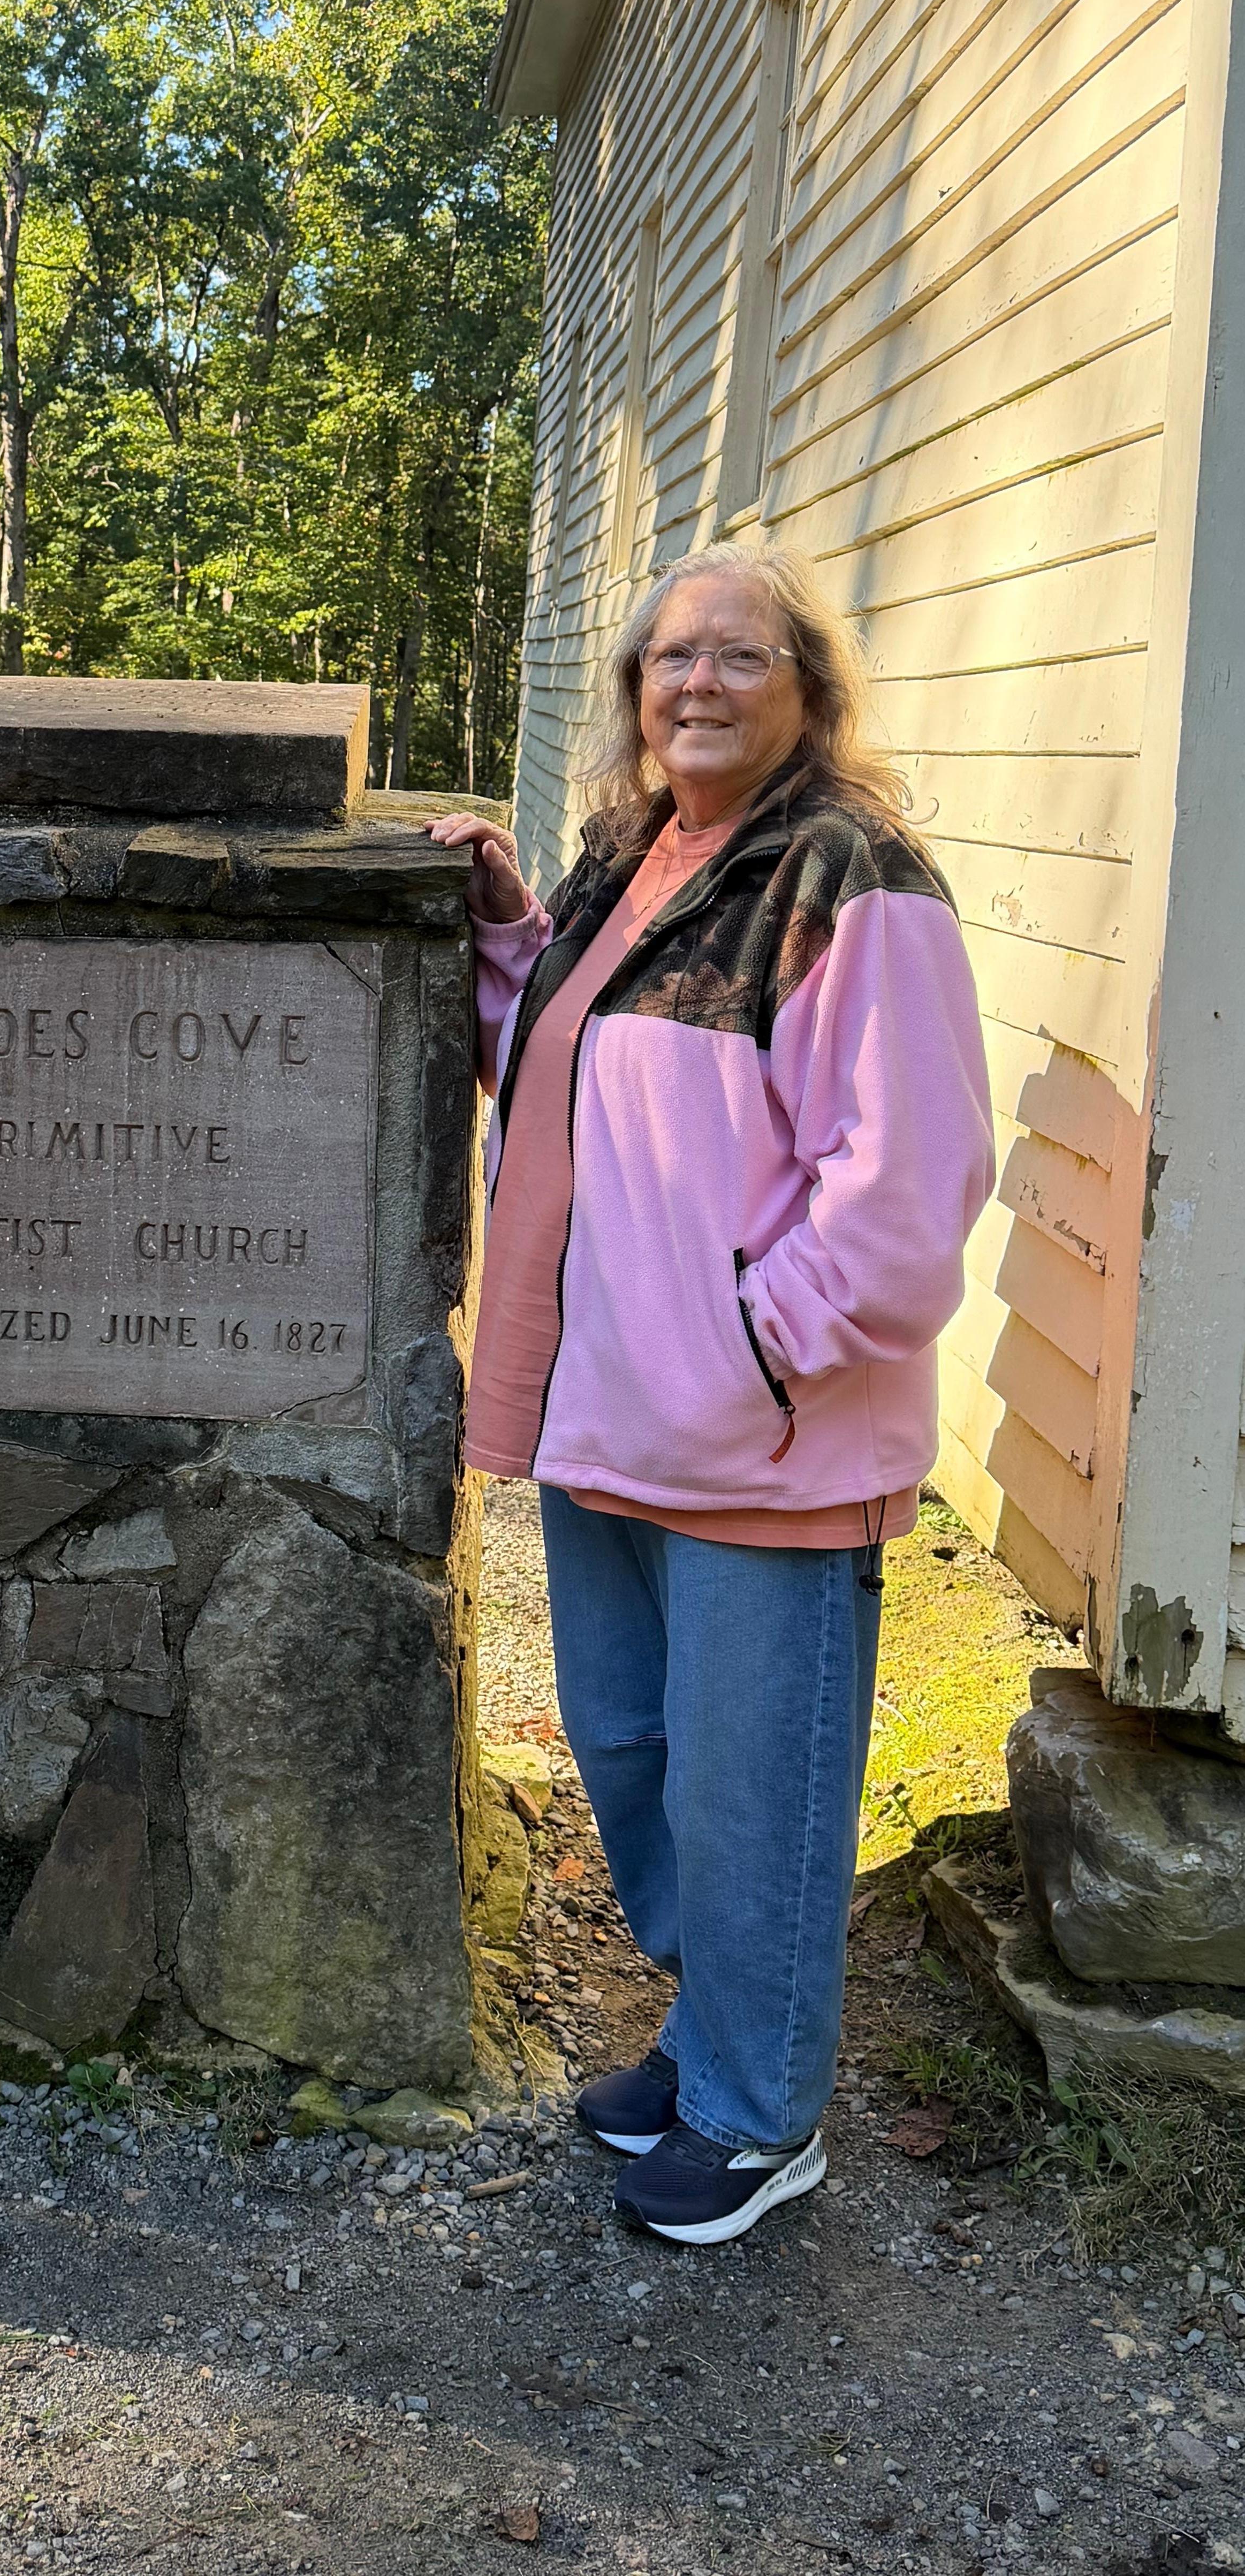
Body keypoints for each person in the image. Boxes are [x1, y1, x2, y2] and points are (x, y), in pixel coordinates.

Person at [429, 538, 992, 2247]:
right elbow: (582, 1051)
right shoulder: (638, 851)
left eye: (739, 658)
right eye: (669, 659)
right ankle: (711, 2035)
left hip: (756, 1438)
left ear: (808, 692)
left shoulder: (849, 876)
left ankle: (762, 2115)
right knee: (640, 1758)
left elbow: (903, 1193)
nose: (696, 685)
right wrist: (509, 930)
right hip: (612, 1412)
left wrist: (748, 1346)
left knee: (755, 1787)